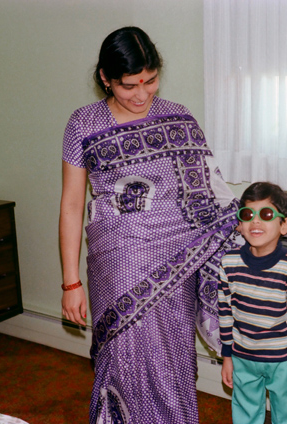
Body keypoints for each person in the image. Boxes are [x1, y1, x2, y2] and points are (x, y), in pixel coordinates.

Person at [59, 26, 240, 424]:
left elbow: (207, 194)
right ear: (105, 79)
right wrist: (71, 282)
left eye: (150, 81)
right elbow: (72, 205)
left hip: (179, 257)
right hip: (118, 257)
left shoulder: (179, 117)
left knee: (173, 360)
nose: (141, 94)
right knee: (124, 360)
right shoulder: (83, 124)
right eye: (128, 85)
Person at [217, 182, 287, 424]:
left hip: (281, 359)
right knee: (245, 413)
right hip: (242, 355)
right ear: (240, 224)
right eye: (247, 215)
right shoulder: (228, 264)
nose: (255, 221)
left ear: (284, 224)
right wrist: (227, 357)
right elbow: (225, 314)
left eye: (266, 214)